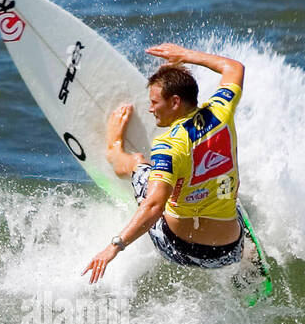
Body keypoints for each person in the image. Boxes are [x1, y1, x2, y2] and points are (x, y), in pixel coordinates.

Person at [82, 43, 248, 284]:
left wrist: (114, 247)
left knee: (139, 165)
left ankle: (114, 150)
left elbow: (154, 207)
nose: (150, 109)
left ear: (175, 102)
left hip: (178, 249)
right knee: (229, 183)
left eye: (154, 102)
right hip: (229, 251)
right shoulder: (222, 110)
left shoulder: (168, 146)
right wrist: (185, 56)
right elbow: (234, 67)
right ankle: (247, 253)